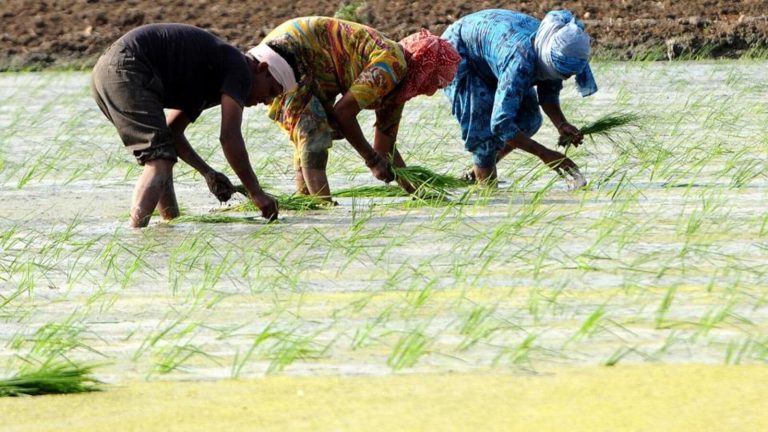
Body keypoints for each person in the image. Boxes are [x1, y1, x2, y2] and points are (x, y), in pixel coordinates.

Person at [91, 23, 281, 227]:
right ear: (262, 69)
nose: (268, 101)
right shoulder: (240, 68)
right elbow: (229, 137)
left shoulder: (212, 78)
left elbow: (172, 133)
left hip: (106, 73)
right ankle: (136, 235)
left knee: (163, 152)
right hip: (128, 68)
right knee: (159, 159)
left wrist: (208, 173)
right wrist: (256, 193)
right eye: (271, 90)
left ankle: (169, 223)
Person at [251, 17, 461, 199]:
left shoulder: (396, 90)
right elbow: (343, 112)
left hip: (311, 63)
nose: (430, 90)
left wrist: (418, 191)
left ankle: (306, 204)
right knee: (313, 132)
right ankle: (323, 211)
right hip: (289, 52)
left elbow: (385, 148)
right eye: (433, 80)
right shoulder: (392, 64)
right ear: (424, 69)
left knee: (310, 133)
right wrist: (371, 160)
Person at [441, 9, 598, 187]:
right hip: (462, 53)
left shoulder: (554, 46)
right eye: (561, 73)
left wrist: (561, 124)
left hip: (495, 54)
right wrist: (544, 153)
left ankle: (481, 169)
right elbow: (500, 124)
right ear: (547, 60)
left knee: (529, 120)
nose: (565, 78)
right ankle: (487, 194)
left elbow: (549, 93)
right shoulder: (522, 60)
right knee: (483, 136)